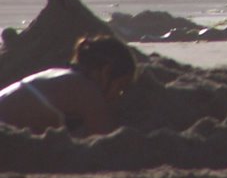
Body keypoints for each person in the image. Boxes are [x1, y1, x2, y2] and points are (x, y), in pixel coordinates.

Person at [0, 34, 136, 136]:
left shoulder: (59, 74)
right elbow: (107, 139)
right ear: (106, 72)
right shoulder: (86, 90)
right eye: (120, 88)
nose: (119, 96)